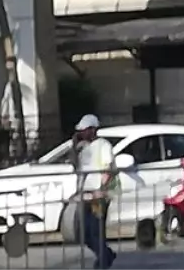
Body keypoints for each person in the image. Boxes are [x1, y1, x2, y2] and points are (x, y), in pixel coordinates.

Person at [74, 114, 117, 270]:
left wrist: (101, 190)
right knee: (84, 233)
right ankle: (106, 255)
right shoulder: (84, 148)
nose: (82, 133)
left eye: (85, 130)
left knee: (96, 230)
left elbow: (107, 169)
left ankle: (103, 261)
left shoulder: (103, 145)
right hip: (86, 194)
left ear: (93, 129)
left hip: (98, 196)